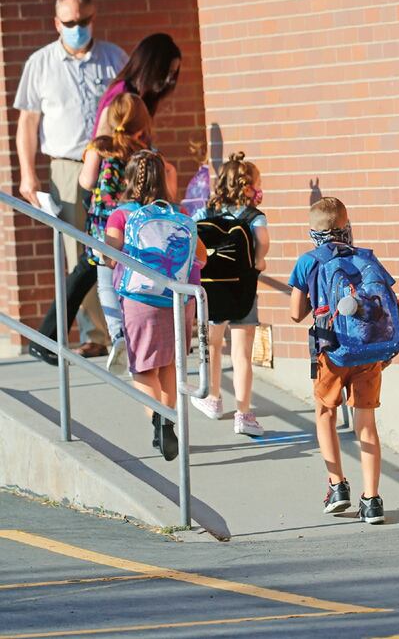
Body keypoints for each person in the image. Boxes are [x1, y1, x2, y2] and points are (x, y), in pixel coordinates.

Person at [16, 0, 127, 359]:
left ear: (93, 18)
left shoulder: (113, 59)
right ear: (56, 23)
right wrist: (28, 174)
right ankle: (99, 334)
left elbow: (130, 110)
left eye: (83, 21)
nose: (77, 28)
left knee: (119, 244)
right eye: (69, 23)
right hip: (66, 167)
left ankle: (127, 328)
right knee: (79, 253)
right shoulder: (40, 63)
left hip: (111, 164)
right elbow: (28, 122)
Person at [288, 197, 393, 524]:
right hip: (367, 352)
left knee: (325, 413)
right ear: (347, 227)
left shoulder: (308, 261)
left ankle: (337, 487)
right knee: (367, 424)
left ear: (313, 232)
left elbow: (295, 314)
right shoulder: (367, 259)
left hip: (331, 352)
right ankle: (372, 500)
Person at [105, 150, 205, 460]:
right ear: (163, 179)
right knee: (170, 365)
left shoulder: (121, 215)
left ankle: (159, 420)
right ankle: (167, 419)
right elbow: (201, 257)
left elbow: (110, 256)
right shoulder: (179, 216)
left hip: (139, 299)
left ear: (130, 178)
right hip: (179, 297)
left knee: (143, 368)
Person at [190, 153, 269, 436]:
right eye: (258, 184)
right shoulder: (253, 217)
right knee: (242, 354)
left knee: (212, 346)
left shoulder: (203, 214)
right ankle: (244, 413)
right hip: (243, 290)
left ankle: (212, 399)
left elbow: (193, 243)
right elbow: (263, 246)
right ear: (247, 187)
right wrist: (259, 261)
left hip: (212, 291)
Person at [79, 93, 152, 373]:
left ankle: (118, 334)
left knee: (106, 281)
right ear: (141, 122)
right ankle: (136, 332)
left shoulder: (100, 147)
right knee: (132, 278)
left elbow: (86, 181)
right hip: (133, 223)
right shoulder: (143, 151)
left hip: (102, 227)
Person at [93, 33, 181, 136]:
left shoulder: (142, 95)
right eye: (166, 72)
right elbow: (102, 139)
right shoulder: (122, 93)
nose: (168, 80)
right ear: (151, 66)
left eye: (172, 73)